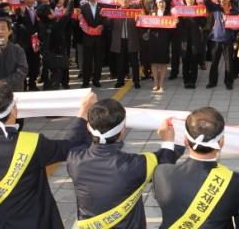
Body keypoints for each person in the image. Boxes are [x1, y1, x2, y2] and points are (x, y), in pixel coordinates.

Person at [0, 81, 94, 229]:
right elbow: (69, 145)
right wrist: (83, 114)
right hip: (32, 221)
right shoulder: (33, 143)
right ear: (14, 111)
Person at [67, 98, 182, 228]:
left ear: (88, 127)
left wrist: (82, 114)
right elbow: (165, 163)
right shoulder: (136, 165)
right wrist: (170, 139)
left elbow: (72, 140)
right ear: (121, 132)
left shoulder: (74, 159)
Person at [153, 107, 239, 229]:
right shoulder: (236, 182)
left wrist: (168, 142)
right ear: (221, 142)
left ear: (185, 140)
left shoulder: (161, 173)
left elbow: (165, 165)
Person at [36, 0, 74, 90]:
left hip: (47, 57)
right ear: (49, 15)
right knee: (53, 82)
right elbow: (68, 14)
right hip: (56, 58)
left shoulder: (42, 22)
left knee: (49, 80)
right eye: (51, 10)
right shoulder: (55, 25)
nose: (53, 9)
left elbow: (49, 6)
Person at [204, 0, 239, 90]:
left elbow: (238, 27)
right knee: (214, 62)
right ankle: (212, 82)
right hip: (215, 39)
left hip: (228, 39)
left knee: (229, 63)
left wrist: (236, 40)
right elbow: (206, 0)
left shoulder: (235, 11)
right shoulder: (215, 7)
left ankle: (229, 82)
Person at [103, 0, 142, 89]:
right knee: (120, 62)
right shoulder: (115, 12)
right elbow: (108, 23)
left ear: (130, 1)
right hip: (119, 40)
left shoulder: (135, 12)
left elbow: (141, 24)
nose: (124, 1)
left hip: (132, 40)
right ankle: (120, 81)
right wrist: (105, 16)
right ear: (119, 1)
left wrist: (138, 19)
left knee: (134, 62)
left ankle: (136, 81)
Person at [175, 0, 205, 89]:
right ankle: (186, 80)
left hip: (195, 39)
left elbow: (203, 24)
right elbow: (178, 26)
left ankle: (192, 81)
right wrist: (177, 20)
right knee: (185, 61)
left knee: (194, 61)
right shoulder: (181, 10)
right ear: (185, 0)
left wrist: (202, 15)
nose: (190, 0)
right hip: (184, 40)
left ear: (194, 0)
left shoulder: (198, 10)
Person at [78, 0, 106, 89]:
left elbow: (107, 20)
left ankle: (96, 80)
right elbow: (76, 23)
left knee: (98, 61)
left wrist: (104, 25)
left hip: (99, 38)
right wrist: (79, 19)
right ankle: (86, 80)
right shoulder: (82, 8)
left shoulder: (102, 7)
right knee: (87, 61)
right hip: (87, 38)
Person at [148, 0, 176, 92]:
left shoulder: (170, 13)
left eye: (163, 2)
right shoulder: (151, 13)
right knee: (153, 61)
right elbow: (146, 24)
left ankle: (162, 82)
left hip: (165, 40)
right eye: (159, 2)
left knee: (164, 62)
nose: (161, 4)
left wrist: (175, 23)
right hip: (153, 39)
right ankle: (155, 82)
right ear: (156, 4)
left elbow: (172, 29)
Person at [14, 0, 40, 92]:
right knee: (24, 63)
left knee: (35, 63)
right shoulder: (19, 10)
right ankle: (24, 84)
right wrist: (21, 13)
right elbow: (17, 22)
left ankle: (32, 84)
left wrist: (38, 33)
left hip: (36, 41)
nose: (29, 0)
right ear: (23, 0)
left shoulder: (38, 10)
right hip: (24, 41)